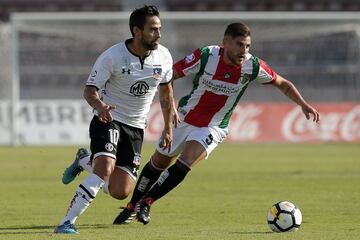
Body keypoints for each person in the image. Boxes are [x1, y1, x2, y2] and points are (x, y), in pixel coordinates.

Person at [112, 22, 320, 225]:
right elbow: (170, 75)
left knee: (186, 161)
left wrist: (303, 104)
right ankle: (132, 207)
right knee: (159, 163)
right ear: (226, 42)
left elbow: (283, 83)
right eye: (239, 44)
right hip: (184, 118)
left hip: (214, 126)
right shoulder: (205, 56)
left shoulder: (252, 65)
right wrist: (171, 106)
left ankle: (147, 203)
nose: (244, 51)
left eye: (248, 46)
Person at [54, 5, 176, 234]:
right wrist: (100, 107)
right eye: (153, 29)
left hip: (136, 127)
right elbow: (90, 90)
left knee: (121, 191)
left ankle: (83, 161)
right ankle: (67, 222)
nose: (158, 34)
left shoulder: (164, 56)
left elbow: (166, 92)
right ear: (136, 31)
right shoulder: (113, 56)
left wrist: (168, 128)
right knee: (104, 170)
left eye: (159, 29)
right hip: (109, 118)